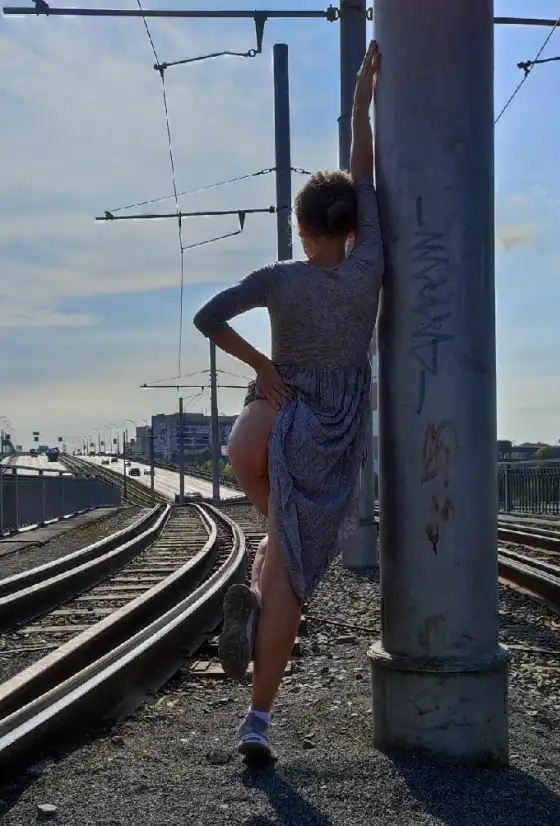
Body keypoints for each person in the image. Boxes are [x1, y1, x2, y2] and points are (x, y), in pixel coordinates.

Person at [193, 41, 382, 762]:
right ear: (351, 228)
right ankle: (257, 721)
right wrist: (362, 105)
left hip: (273, 409)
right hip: (331, 426)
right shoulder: (368, 266)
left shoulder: (280, 277)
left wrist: (262, 365)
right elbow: (362, 174)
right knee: (291, 579)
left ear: (303, 231)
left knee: (249, 467)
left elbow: (209, 317)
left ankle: (267, 549)